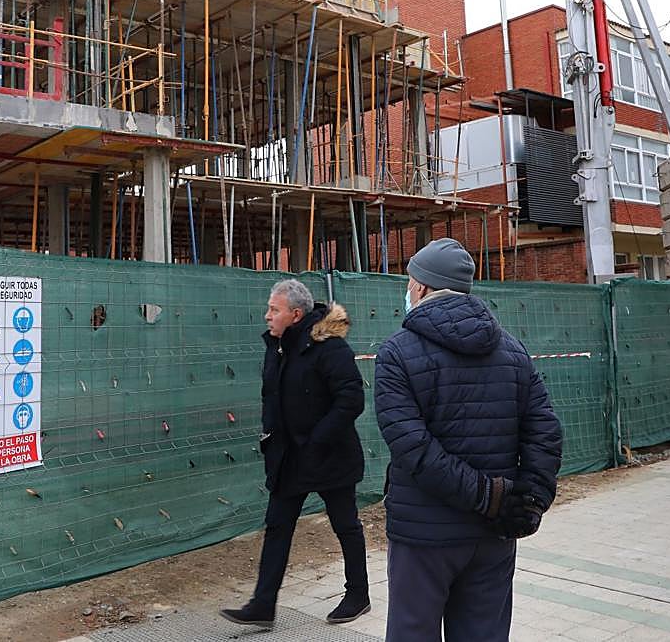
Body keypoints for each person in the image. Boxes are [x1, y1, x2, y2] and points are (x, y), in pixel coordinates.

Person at [376, 238, 563, 642]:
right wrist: (526, 501)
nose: (407, 291)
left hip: (423, 538)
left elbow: (412, 448)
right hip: (492, 535)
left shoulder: (396, 353)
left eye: (409, 282)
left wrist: (487, 495)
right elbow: (545, 431)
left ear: (422, 287)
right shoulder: (513, 351)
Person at [220, 279, 370, 629]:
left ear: (296, 314)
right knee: (277, 526)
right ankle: (262, 605)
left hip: (329, 454)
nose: (267, 316)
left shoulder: (328, 347)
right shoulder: (278, 346)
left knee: (345, 524)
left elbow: (351, 399)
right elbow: (272, 398)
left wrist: (317, 440)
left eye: (274, 310)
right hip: (289, 456)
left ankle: (358, 594)